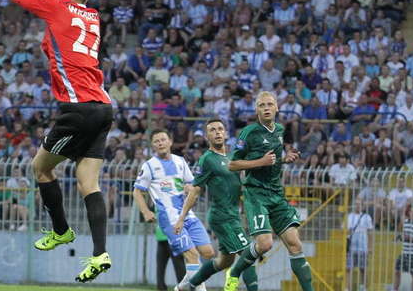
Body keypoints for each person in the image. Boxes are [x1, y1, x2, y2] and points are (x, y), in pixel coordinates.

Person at [8, 0, 114, 283]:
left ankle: (61, 230)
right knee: (88, 182)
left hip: (78, 108)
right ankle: (100, 254)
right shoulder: (92, 16)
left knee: (41, 169)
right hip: (103, 107)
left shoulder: (57, 8)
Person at [224, 91, 313, 291]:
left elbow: (273, 160)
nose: (266, 108)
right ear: (256, 110)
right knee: (265, 244)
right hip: (255, 194)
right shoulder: (249, 132)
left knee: (295, 244)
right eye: (262, 105)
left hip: (276, 194)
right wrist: (260, 162)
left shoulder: (280, 130)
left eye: (269, 104)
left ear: (276, 108)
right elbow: (232, 164)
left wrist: (285, 158)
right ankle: (236, 271)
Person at [176, 119, 258, 290]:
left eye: (220, 129)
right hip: (222, 217)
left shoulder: (231, 158)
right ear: (207, 136)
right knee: (247, 255)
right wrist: (181, 217)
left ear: (226, 133)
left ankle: (188, 286)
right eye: (212, 130)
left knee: (223, 262)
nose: (217, 132)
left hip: (233, 215)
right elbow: (195, 190)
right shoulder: (207, 159)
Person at [134, 130, 214, 290]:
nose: (160, 143)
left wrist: (188, 188)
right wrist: (146, 212)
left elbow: (190, 184)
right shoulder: (149, 166)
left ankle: (181, 287)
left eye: (163, 139)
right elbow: (137, 191)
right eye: (156, 141)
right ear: (153, 146)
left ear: (170, 141)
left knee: (208, 253)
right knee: (192, 255)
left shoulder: (180, 161)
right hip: (169, 219)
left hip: (187, 215)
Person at [393, 205, 413, 291]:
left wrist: (409, 238)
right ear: (409, 212)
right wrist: (399, 237)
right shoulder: (405, 222)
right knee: (397, 271)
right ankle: (395, 289)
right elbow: (399, 233)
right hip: (404, 252)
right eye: (411, 211)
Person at [346, 200, 373, 291]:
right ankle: (348, 288)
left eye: (359, 204)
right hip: (351, 247)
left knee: (363, 269)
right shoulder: (349, 216)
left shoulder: (367, 217)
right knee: (349, 268)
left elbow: (370, 233)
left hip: (363, 246)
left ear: (362, 206)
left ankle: (364, 288)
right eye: (356, 204)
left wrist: (370, 247)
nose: (357, 206)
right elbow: (346, 231)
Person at [155, 225, 186, 291]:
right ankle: (161, 288)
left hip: (174, 238)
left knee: (179, 266)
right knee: (160, 267)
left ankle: (182, 288)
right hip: (160, 238)